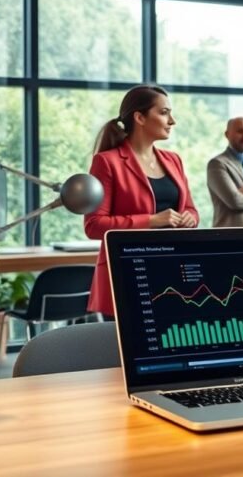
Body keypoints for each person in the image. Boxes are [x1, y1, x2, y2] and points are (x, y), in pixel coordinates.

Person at [84, 85, 199, 318]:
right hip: (127, 274)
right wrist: (152, 220)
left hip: (172, 273)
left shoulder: (173, 160)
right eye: (164, 113)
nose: (172, 121)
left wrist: (190, 218)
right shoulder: (107, 162)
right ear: (140, 118)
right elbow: (94, 225)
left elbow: (190, 209)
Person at [207, 117, 243, 228]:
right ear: (227, 134)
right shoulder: (217, 164)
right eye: (240, 131)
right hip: (230, 234)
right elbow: (234, 200)